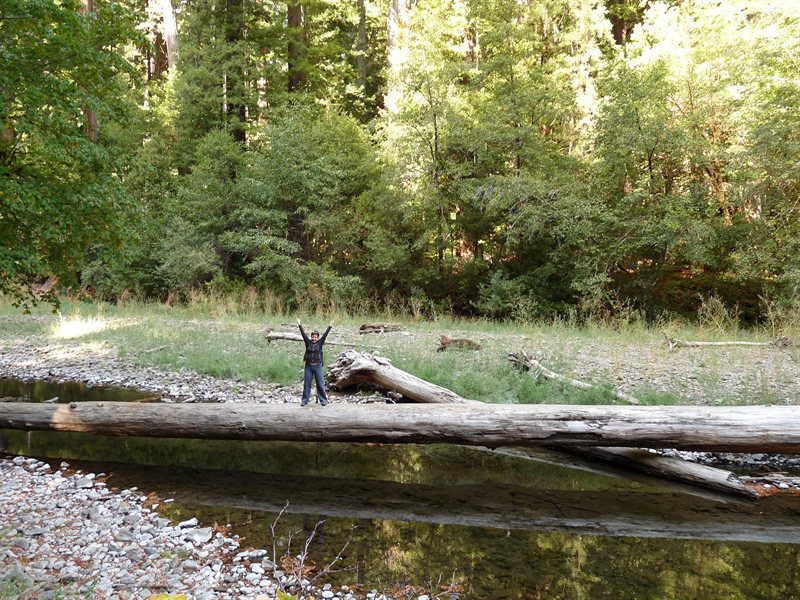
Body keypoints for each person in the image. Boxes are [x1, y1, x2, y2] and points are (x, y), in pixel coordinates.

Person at [297, 318, 333, 406]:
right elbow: (303, 334)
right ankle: (304, 400)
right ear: (311, 337)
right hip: (308, 366)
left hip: (318, 366)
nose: (314, 339)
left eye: (315, 337)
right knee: (307, 384)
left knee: (320, 383)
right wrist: (299, 325)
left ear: (317, 338)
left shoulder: (320, 343)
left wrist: (330, 326)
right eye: (313, 337)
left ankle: (323, 400)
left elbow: (325, 335)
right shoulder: (308, 343)